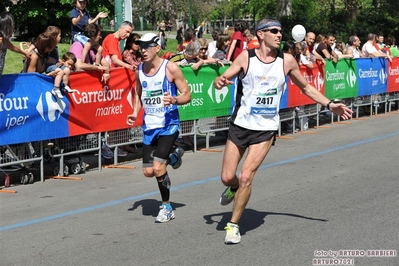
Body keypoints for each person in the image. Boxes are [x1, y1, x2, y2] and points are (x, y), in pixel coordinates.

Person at [213, 18, 353, 244]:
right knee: (228, 177)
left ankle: (233, 224)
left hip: (266, 128)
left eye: (280, 31)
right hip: (240, 124)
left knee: (247, 176)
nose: (279, 35)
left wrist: (329, 105)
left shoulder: (286, 61)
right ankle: (233, 188)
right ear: (260, 34)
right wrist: (218, 82)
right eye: (274, 31)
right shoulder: (245, 57)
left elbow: (306, 87)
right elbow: (222, 79)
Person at [126, 33, 192, 223]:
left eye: (147, 46)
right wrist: (134, 112)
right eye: (141, 46)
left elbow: (187, 95)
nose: (143, 50)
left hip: (168, 125)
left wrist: (174, 99)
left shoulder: (170, 68)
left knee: (157, 167)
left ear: (157, 48)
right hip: (149, 126)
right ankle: (175, 156)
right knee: (148, 172)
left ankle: (167, 207)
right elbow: (138, 94)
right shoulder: (139, 69)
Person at [44, 26, 75, 98]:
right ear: (54, 37)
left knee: (67, 69)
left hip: (55, 64)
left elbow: (56, 58)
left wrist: (60, 61)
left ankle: (64, 86)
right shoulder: (48, 47)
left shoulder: (55, 47)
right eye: (59, 36)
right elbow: (44, 56)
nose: (60, 37)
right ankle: (56, 88)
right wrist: (48, 59)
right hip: (49, 66)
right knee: (60, 71)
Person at [0, 11, 31, 76]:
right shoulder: (1, 41)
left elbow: (13, 47)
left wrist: (24, 53)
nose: (14, 27)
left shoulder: (4, 40)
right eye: (13, 24)